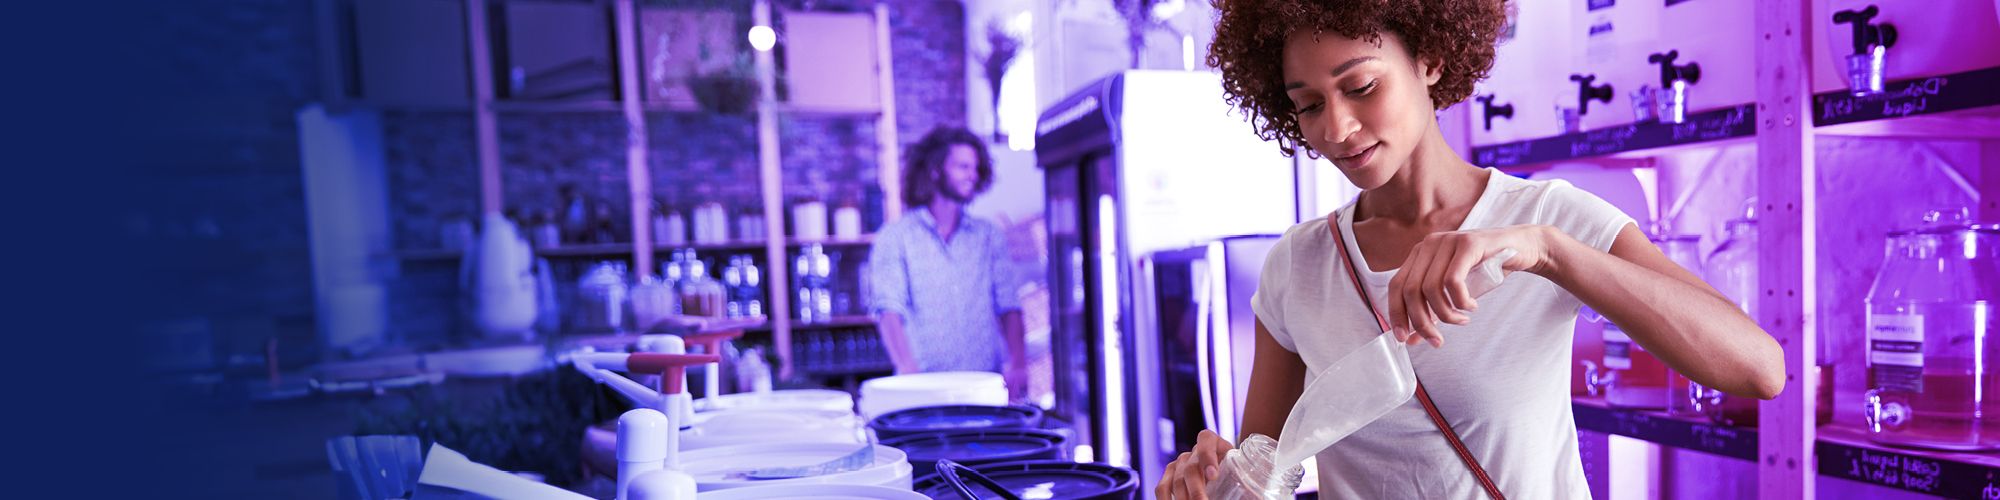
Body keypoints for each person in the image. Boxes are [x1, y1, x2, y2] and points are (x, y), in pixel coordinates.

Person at [1155, 1, 1786, 498]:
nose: (1336, 130)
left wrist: (1548, 253)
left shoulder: (1543, 220)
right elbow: (1265, 468)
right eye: (1310, 106)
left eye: (1363, 87)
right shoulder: (1299, 265)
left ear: (1428, 58)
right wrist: (1214, 484)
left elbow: (1758, 368)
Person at [867, 126, 1029, 400]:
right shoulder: (895, 238)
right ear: (934, 170)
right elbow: (889, 309)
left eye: (975, 168)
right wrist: (907, 368)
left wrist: (1019, 363)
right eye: (962, 167)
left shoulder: (988, 236)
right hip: (925, 390)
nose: (972, 175)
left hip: (984, 387)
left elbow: (1009, 304)